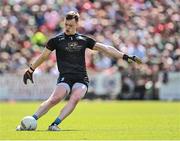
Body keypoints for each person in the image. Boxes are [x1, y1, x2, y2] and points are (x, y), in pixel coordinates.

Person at [16, 11, 142, 131]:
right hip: (65, 76)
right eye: (66, 24)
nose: (67, 27)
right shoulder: (56, 41)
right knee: (55, 98)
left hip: (81, 78)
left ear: (77, 24)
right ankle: (30, 120)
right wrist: (31, 69)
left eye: (70, 25)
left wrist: (126, 56)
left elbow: (106, 48)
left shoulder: (83, 39)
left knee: (75, 97)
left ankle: (55, 124)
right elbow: (43, 56)